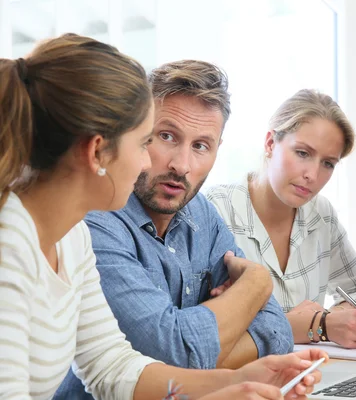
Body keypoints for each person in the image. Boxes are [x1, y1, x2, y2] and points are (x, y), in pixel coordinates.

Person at [0, 33, 324, 400]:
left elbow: (113, 366)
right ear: (97, 152)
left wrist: (238, 382)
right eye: (145, 143)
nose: (152, 163)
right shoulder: (9, 248)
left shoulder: (71, 238)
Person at [56, 60, 295, 398]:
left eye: (200, 146)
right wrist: (257, 283)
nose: (181, 166)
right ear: (136, 134)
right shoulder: (95, 218)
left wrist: (198, 351)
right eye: (166, 136)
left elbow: (277, 331)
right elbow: (170, 354)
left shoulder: (201, 213)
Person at [206, 89, 356, 349]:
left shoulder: (321, 214)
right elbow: (203, 325)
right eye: (302, 153)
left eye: (328, 164)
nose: (312, 174)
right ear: (270, 143)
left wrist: (331, 320)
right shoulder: (214, 211)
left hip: (312, 373)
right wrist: (311, 327)